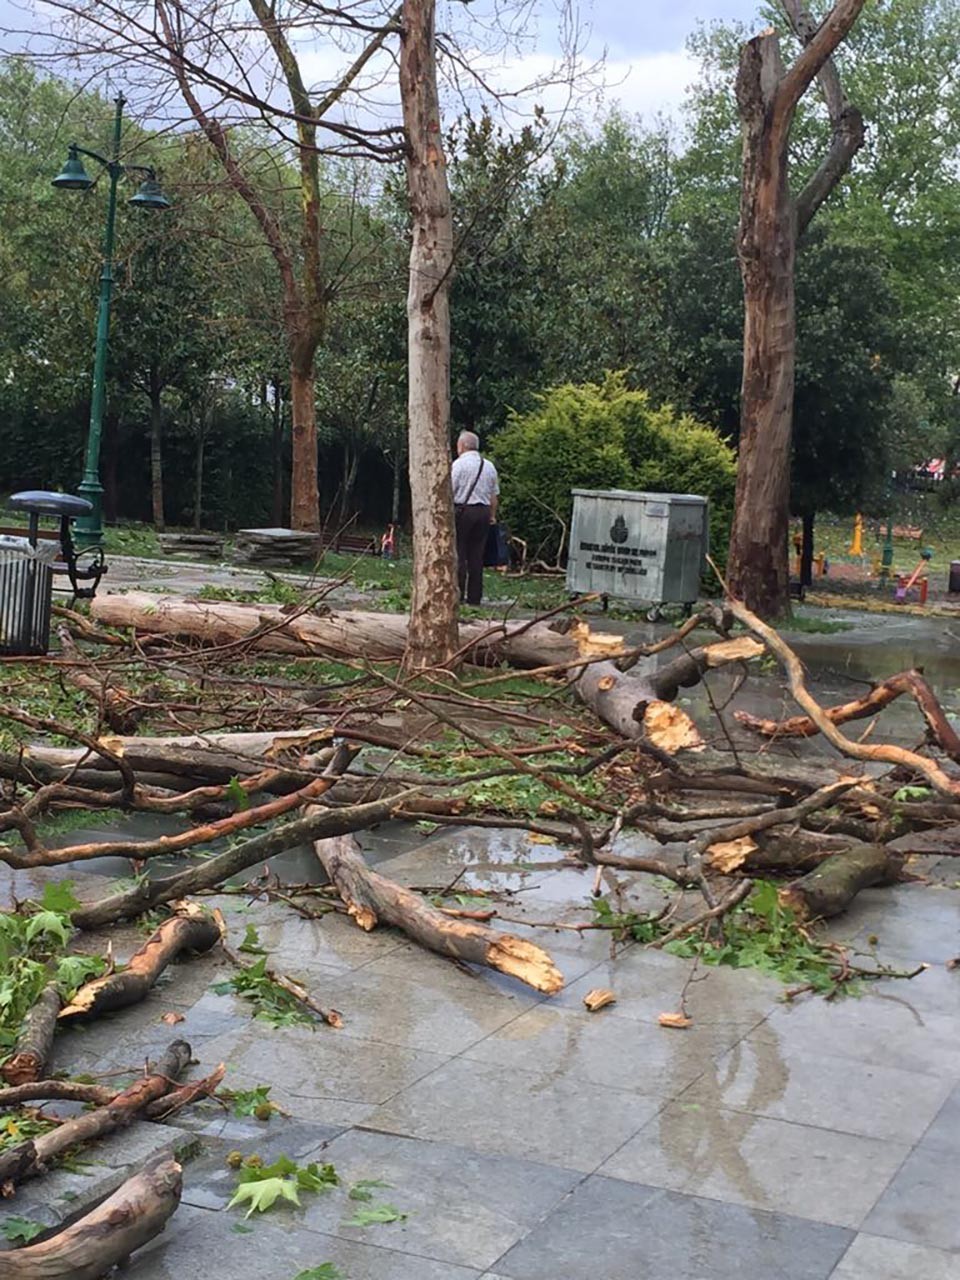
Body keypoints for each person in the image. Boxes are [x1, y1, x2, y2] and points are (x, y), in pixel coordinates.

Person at [451, 430, 499, 605]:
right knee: (477, 556)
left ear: (462, 446)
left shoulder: (458, 465)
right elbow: (494, 496)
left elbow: (450, 491)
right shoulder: (489, 466)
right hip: (484, 512)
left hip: (464, 512)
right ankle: (475, 597)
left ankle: (458, 594)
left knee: (459, 553)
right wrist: (492, 516)